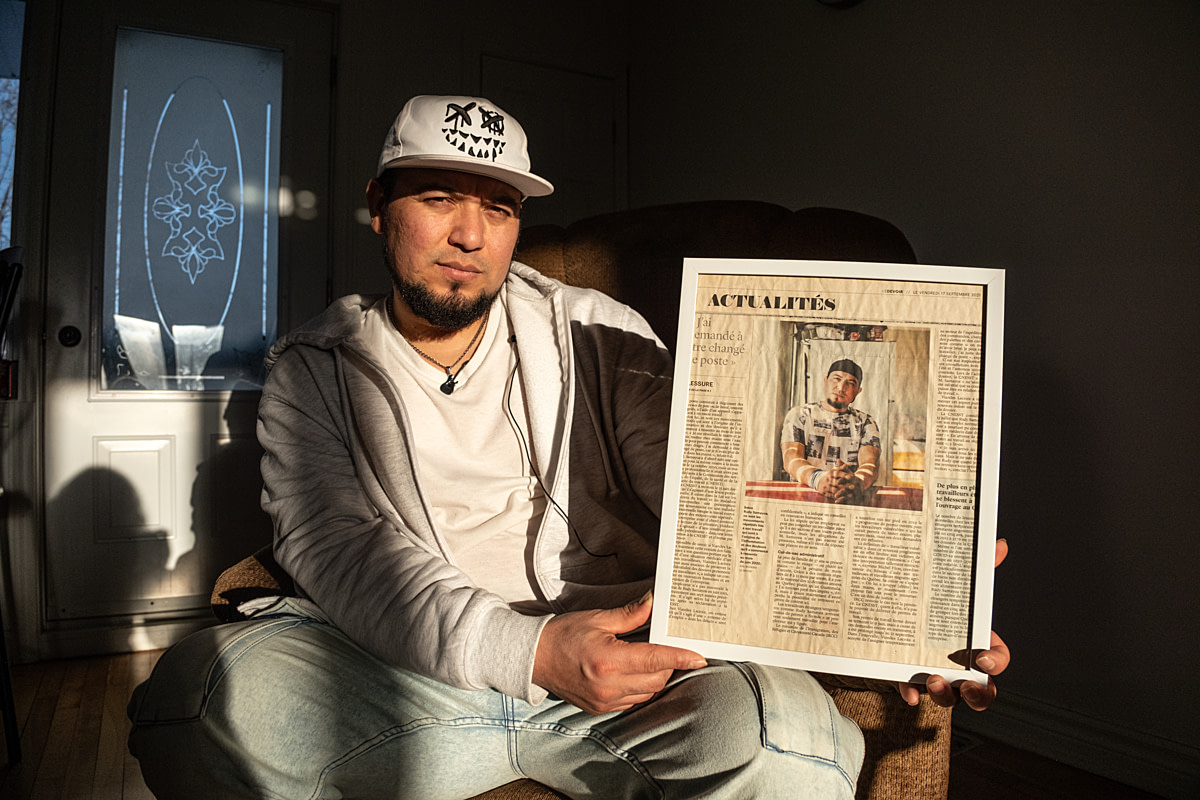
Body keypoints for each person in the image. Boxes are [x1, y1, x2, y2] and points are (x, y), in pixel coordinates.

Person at [127, 95, 1008, 799]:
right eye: (438, 198)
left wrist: (893, 612)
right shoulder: (313, 369)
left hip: (642, 680)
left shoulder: (600, 331)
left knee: (792, 747)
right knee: (196, 704)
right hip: (411, 675)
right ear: (378, 207)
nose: (470, 234)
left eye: (499, 207)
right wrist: (533, 653)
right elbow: (339, 549)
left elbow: (707, 486)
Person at [781, 358, 880, 505]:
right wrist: (818, 479)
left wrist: (857, 483)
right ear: (825, 381)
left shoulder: (865, 422)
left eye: (850, 383)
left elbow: (870, 464)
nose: (841, 387)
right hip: (803, 501)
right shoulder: (800, 415)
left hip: (846, 500)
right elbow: (791, 458)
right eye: (836, 379)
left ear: (858, 391)